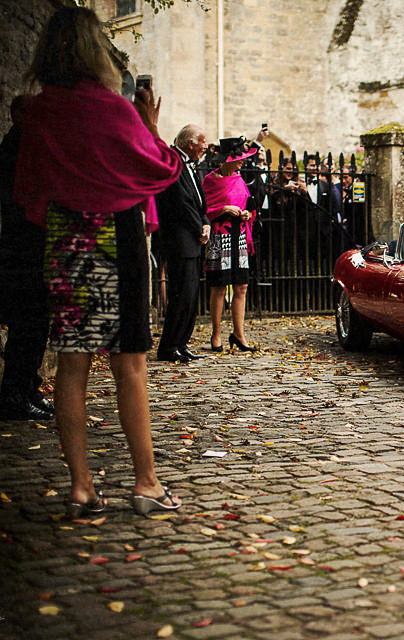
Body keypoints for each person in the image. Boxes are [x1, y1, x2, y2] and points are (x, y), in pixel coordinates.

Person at [14, 6, 183, 515]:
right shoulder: (115, 110)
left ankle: (83, 487)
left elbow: (29, 193)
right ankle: (146, 483)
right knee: (128, 363)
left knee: (72, 363)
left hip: (68, 239)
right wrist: (150, 124)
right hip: (118, 236)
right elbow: (163, 168)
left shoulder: (39, 112)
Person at [0, 95, 54, 420]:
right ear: (19, 115)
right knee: (27, 326)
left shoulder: (26, 146)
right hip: (23, 251)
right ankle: (15, 394)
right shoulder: (14, 148)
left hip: (33, 248)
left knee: (36, 326)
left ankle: (28, 387)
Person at [155, 124, 210, 363]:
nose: (205, 147)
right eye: (203, 142)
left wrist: (206, 222)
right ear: (190, 143)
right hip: (180, 238)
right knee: (181, 295)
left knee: (191, 295)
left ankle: (182, 342)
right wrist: (199, 228)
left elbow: (199, 201)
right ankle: (169, 346)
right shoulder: (175, 161)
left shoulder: (190, 165)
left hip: (194, 238)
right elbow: (181, 202)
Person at [203, 137, 260, 353]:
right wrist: (224, 208)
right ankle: (216, 333)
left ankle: (239, 333)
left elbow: (248, 205)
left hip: (240, 235)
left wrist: (247, 213)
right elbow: (204, 210)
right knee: (219, 286)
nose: (241, 163)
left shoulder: (239, 179)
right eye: (238, 159)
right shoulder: (209, 181)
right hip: (220, 236)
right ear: (225, 160)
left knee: (241, 286)